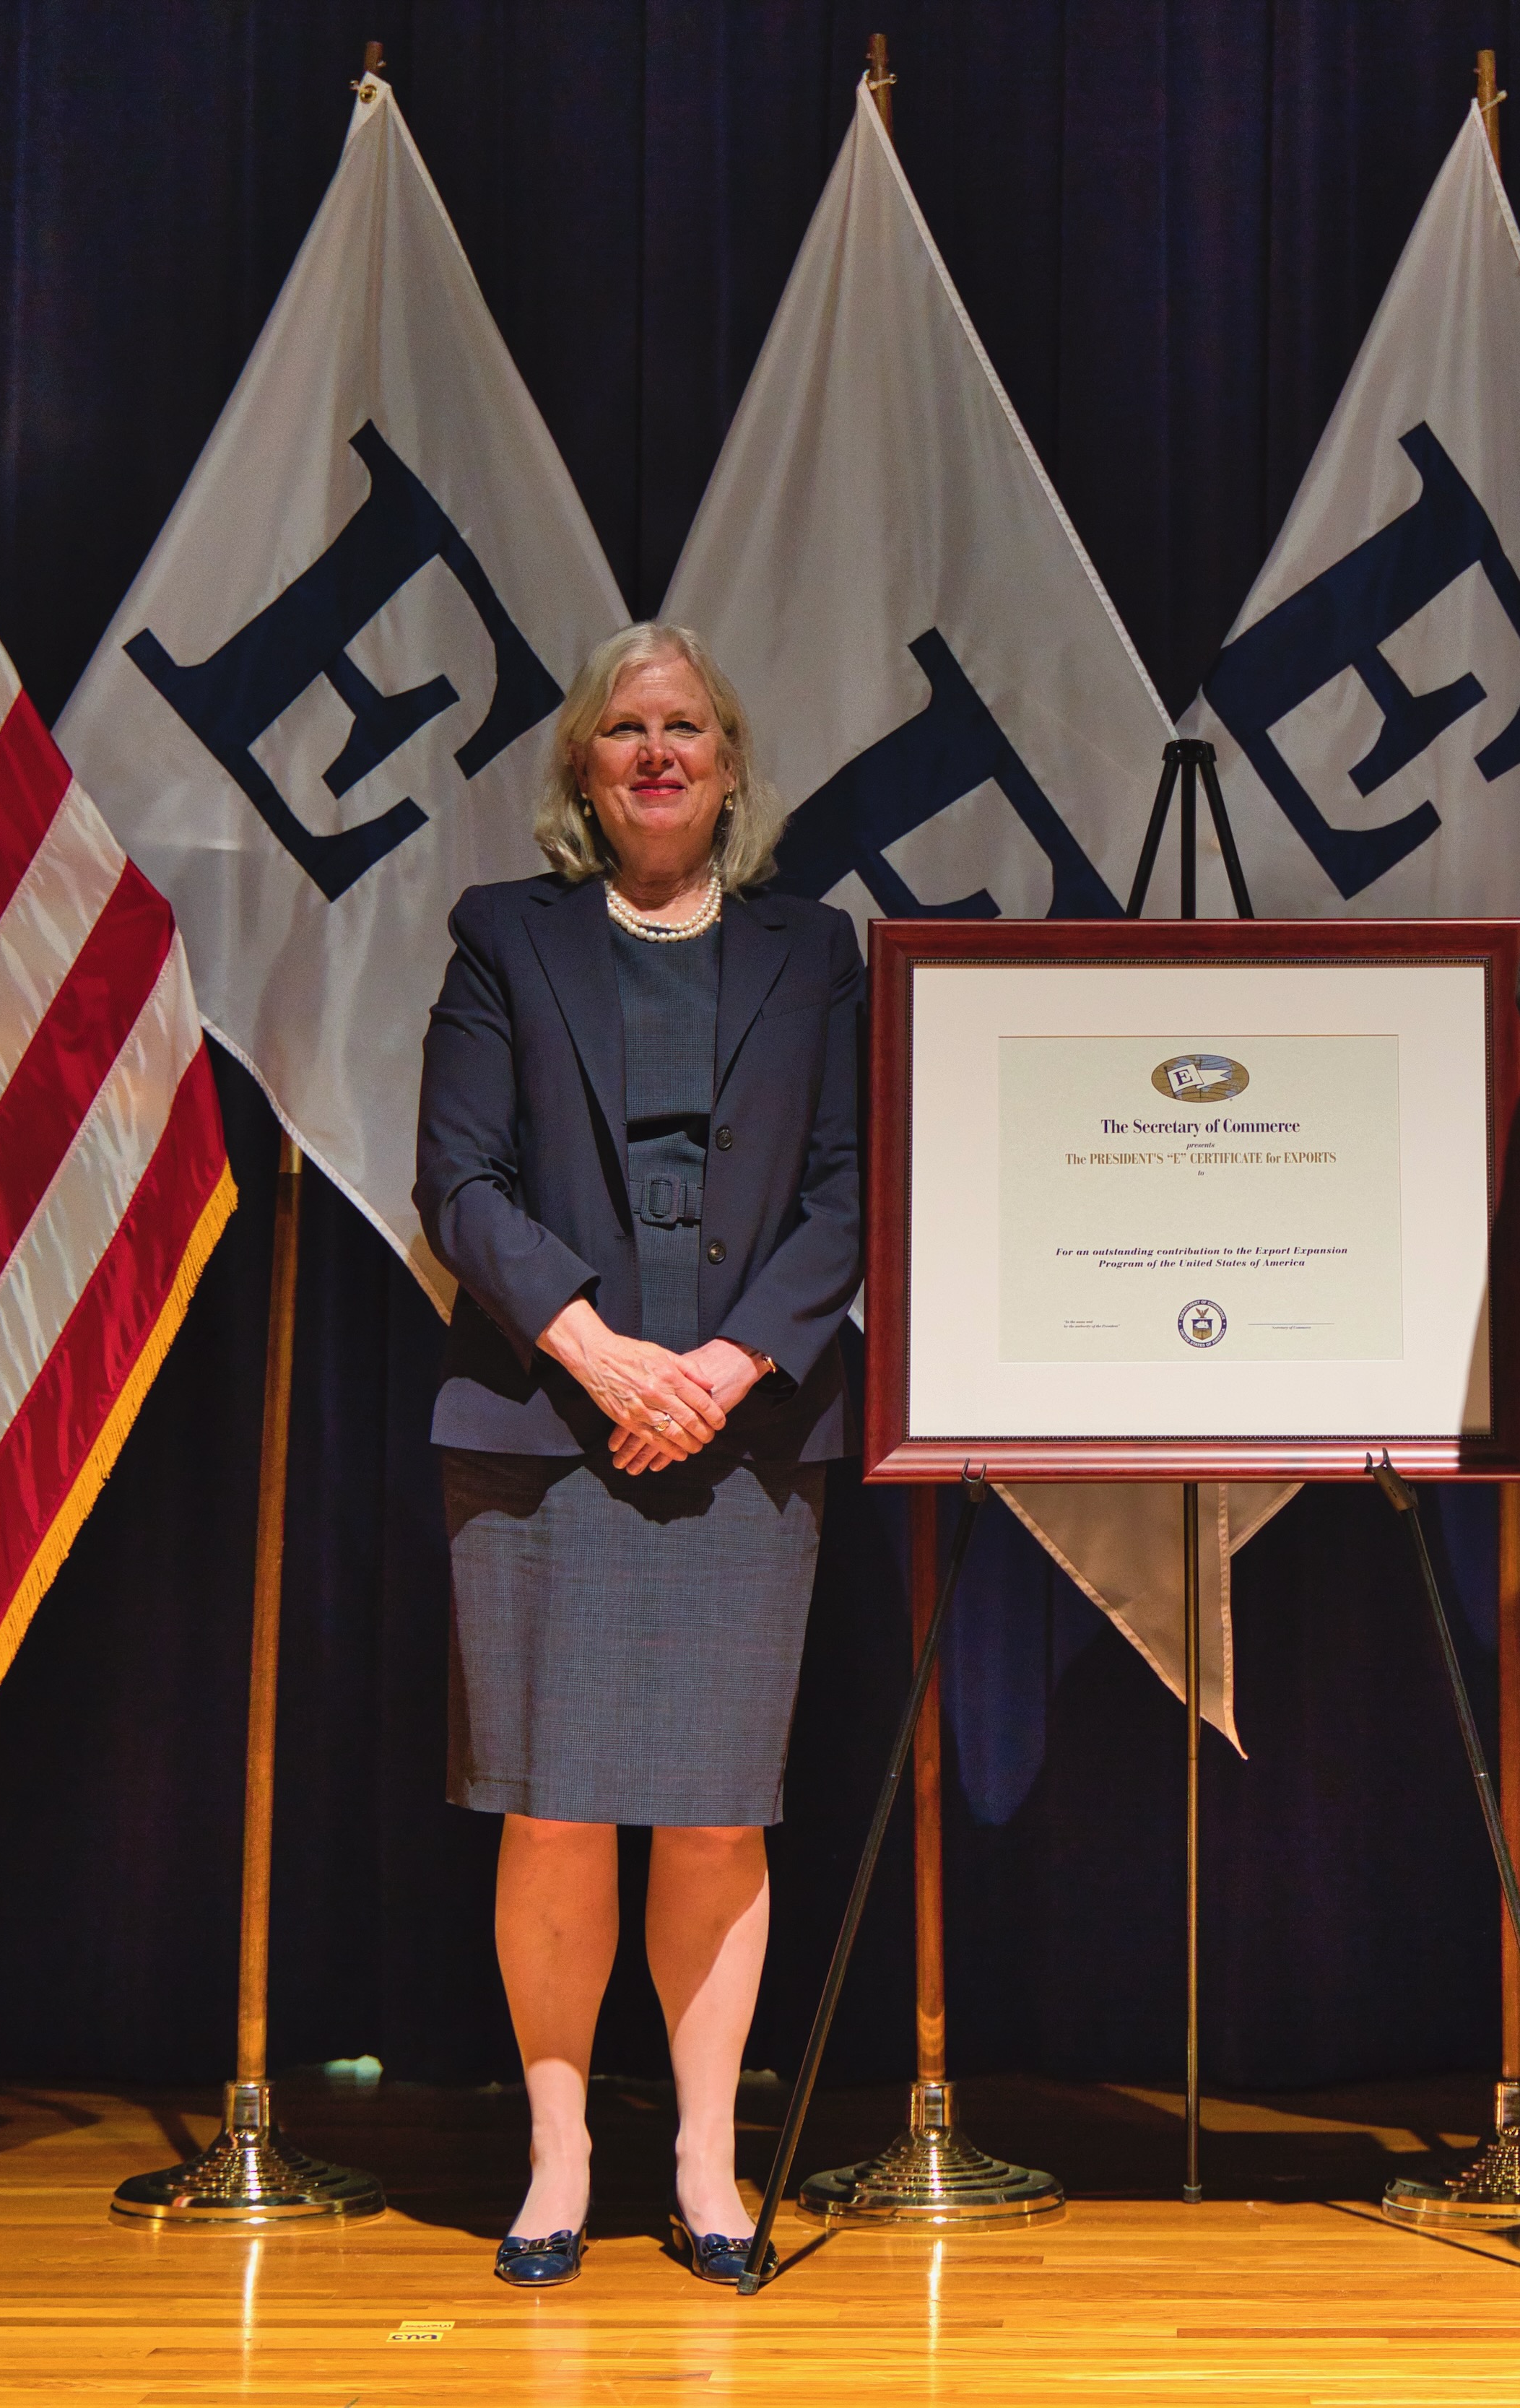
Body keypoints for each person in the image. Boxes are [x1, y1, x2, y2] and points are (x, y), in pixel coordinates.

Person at [414, 622, 862, 2290]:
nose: (657, 753)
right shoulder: (502, 939)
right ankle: (556, 2157)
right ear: (583, 773)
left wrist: (731, 1367)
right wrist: (603, 1356)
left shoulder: (815, 950)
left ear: (731, 767)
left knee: (714, 1813)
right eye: (624, 731)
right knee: (553, 1811)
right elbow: (458, 1181)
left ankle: (704, 2158)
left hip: (748, 1436)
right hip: (544, 1429)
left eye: (686, 728)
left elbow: (848, 1189)